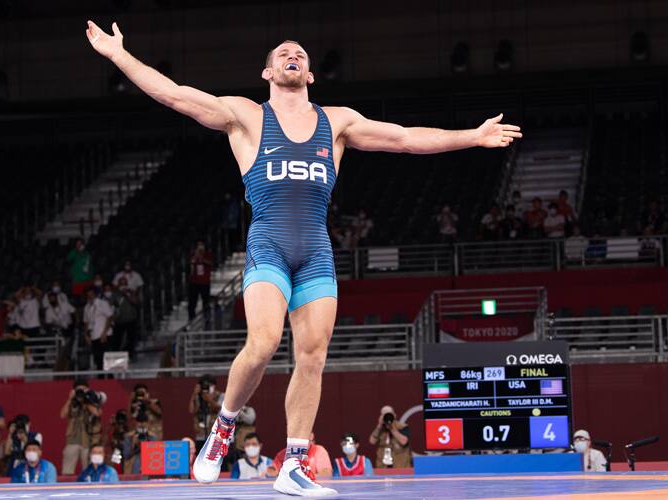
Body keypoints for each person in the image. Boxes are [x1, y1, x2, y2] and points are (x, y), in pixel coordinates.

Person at [86, 25, 521, 496]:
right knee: (265, 340)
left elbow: (404, 138)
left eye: (300, 53)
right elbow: (173, 95)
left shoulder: (337, 122)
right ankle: (223, 429)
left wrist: (472, 137)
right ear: (269, 71)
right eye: (283, 53)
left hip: (315, 250)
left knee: (312, 356)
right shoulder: (245, 116)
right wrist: (119, 56)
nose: (292, 55)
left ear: (310, 74)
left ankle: (294, 464)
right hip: (269, 243)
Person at [60, 380, 103, 475]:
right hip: (73, 439)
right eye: (78, 390)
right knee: (67, 470)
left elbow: (97, 413)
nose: (80, 392)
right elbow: (63, 415)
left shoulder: (92, 400)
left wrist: (87, 400)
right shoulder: (72, 402)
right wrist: (70, 399)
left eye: (83, 390)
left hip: (89, 440)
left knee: (89, 469)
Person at [268, 432, 332, 479]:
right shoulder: (283, 454)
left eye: (301, 434)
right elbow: (270, 472)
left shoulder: (319, 450)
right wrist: (273, 472)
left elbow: (326, 474)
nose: (298, 437)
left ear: (311, 436)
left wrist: (301, 478)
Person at [83, 288, 114, 372]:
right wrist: (86, 335)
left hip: (104, 335)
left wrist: (104, 333)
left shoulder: (102, 303)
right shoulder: (86, 307)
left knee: (107, 359)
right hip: (94, 336)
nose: (90, 296)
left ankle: (111, 379)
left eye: (91, 294)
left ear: (95, 294)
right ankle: (101, 378)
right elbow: (86, 322)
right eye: (88, 295)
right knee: (98, 359)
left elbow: (110, 317)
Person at [188, 375, 222, 450]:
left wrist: (208, 399)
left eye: (208, 385)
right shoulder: (198, 398)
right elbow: (191, 410)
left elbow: (218, 408)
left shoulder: (220, 396)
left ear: (214, 386)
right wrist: (194, 394)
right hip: (201, 435)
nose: (206, 388)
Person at [187, 239, 213, 323]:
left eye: (201, 245)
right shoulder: (193, 254)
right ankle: (191, 317)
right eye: (198, 245)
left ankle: (207, 317)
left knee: (205, 300)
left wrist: (202, 258)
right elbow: (191, 262)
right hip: (194, 282)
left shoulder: (208, 254)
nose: (200, 247)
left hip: (204, 282)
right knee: (192, 301)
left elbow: (210, 263)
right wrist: (196, 255)